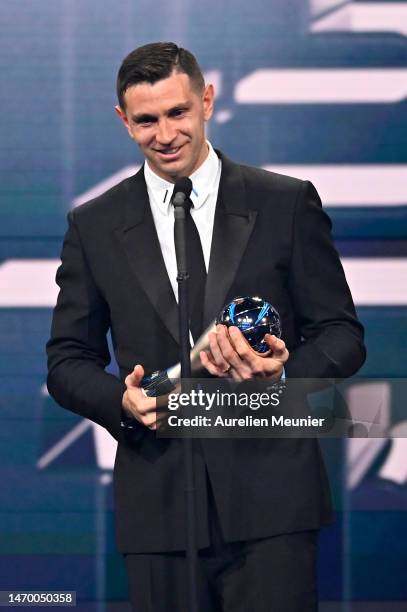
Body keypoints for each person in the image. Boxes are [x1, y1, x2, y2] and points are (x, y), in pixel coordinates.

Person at [46, 42, 366, 611]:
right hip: (159, 504)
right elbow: (67, 360)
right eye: (146, 120)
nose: (165, 133)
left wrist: (284, 371)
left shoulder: (284, 202)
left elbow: (342, 335)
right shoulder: (94, 226)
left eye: (178, 113)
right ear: (124, 121)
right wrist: (121, 402)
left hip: (272, 503)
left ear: (207, 101)